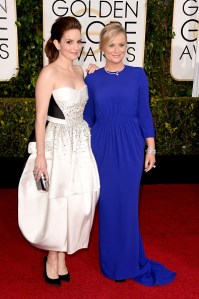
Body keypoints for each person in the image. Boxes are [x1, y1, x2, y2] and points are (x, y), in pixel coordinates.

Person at [83, 22, 176, 286]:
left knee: (127, 204)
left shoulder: (138, 75)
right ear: (102, 47)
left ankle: (127, 260)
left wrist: (152, 147)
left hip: (131, 146)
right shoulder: (92, 78)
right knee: (108, 204)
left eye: (121, 45)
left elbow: (143, 112)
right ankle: (112, 263)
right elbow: (88, 117)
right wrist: (79, 148)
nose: (117, 50)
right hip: (100, 146)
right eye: (111, 45)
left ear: (127, 46)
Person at [18, 16, 100, 286]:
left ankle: (61, 253)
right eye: (69, 42)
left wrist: (94, 74)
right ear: (56, 42)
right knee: (57, 201)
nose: (75, 47)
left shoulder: (80, 71)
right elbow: (40, 117)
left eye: (78, 41)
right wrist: (41, 156)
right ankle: (55, 258)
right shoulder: (48, 73)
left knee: (78, 202)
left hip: (80, 142)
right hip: (56, 142)